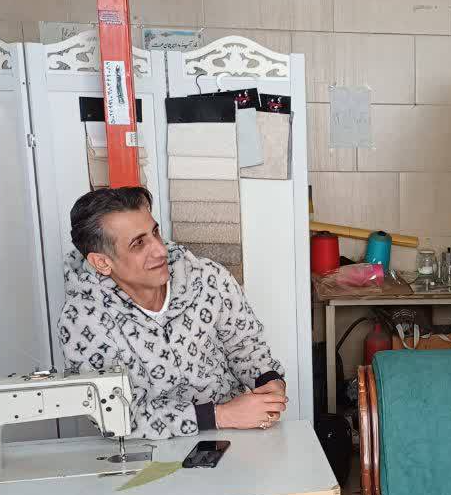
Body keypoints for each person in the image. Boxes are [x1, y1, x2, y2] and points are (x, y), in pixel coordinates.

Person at [59, 186, 287, 438]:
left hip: (235, 435)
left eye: (155, 232)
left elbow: (246, 346)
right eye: (138, 243)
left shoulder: (209, 277)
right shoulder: (83, 319)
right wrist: (220, 415)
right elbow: (112, 414)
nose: (160, 249)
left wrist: (269, 381)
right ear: (102, 262)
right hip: (150, 449)